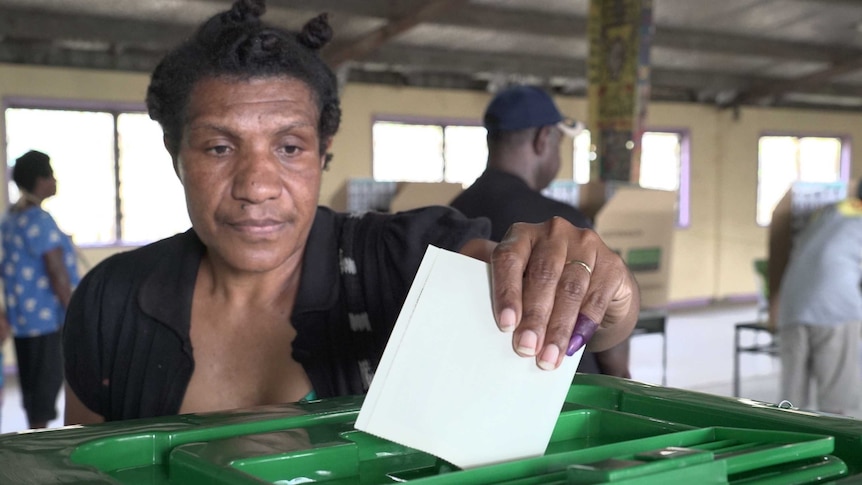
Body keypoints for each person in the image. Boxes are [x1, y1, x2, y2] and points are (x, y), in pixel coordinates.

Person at [62, 0, 640, 425]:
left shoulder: (400, 259)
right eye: (219, 147)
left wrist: (605, 290)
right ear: (175, 154)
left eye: (289, 148)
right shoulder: (113, 302)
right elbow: (84, 467)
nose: (258, 186)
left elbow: (587, 311)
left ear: (323, 151)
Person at [450, 85, 631, 379]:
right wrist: (621, 378)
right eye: (559, 141)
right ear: (543, 138)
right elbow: (604, 318)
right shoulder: (565, 225)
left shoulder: (451, 215)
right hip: (560, 387)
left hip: (475, 381)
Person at [1, 150, 79, 429]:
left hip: (22, 320)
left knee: (33, 392)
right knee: (44, 394)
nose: (55, 180)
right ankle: (36, 449)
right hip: (46, 322)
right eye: (51, 174)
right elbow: (57, 274)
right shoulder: (39, 221)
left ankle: (32, 439)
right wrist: (75, 315)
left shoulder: (10, 218)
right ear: (40, 179)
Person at [774, 182, 862, 415]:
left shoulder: (831, 211)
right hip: (836, 309)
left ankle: (788, 444)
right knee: (837, 400)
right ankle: (839, 448)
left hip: (792, 306)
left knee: (791, 402)